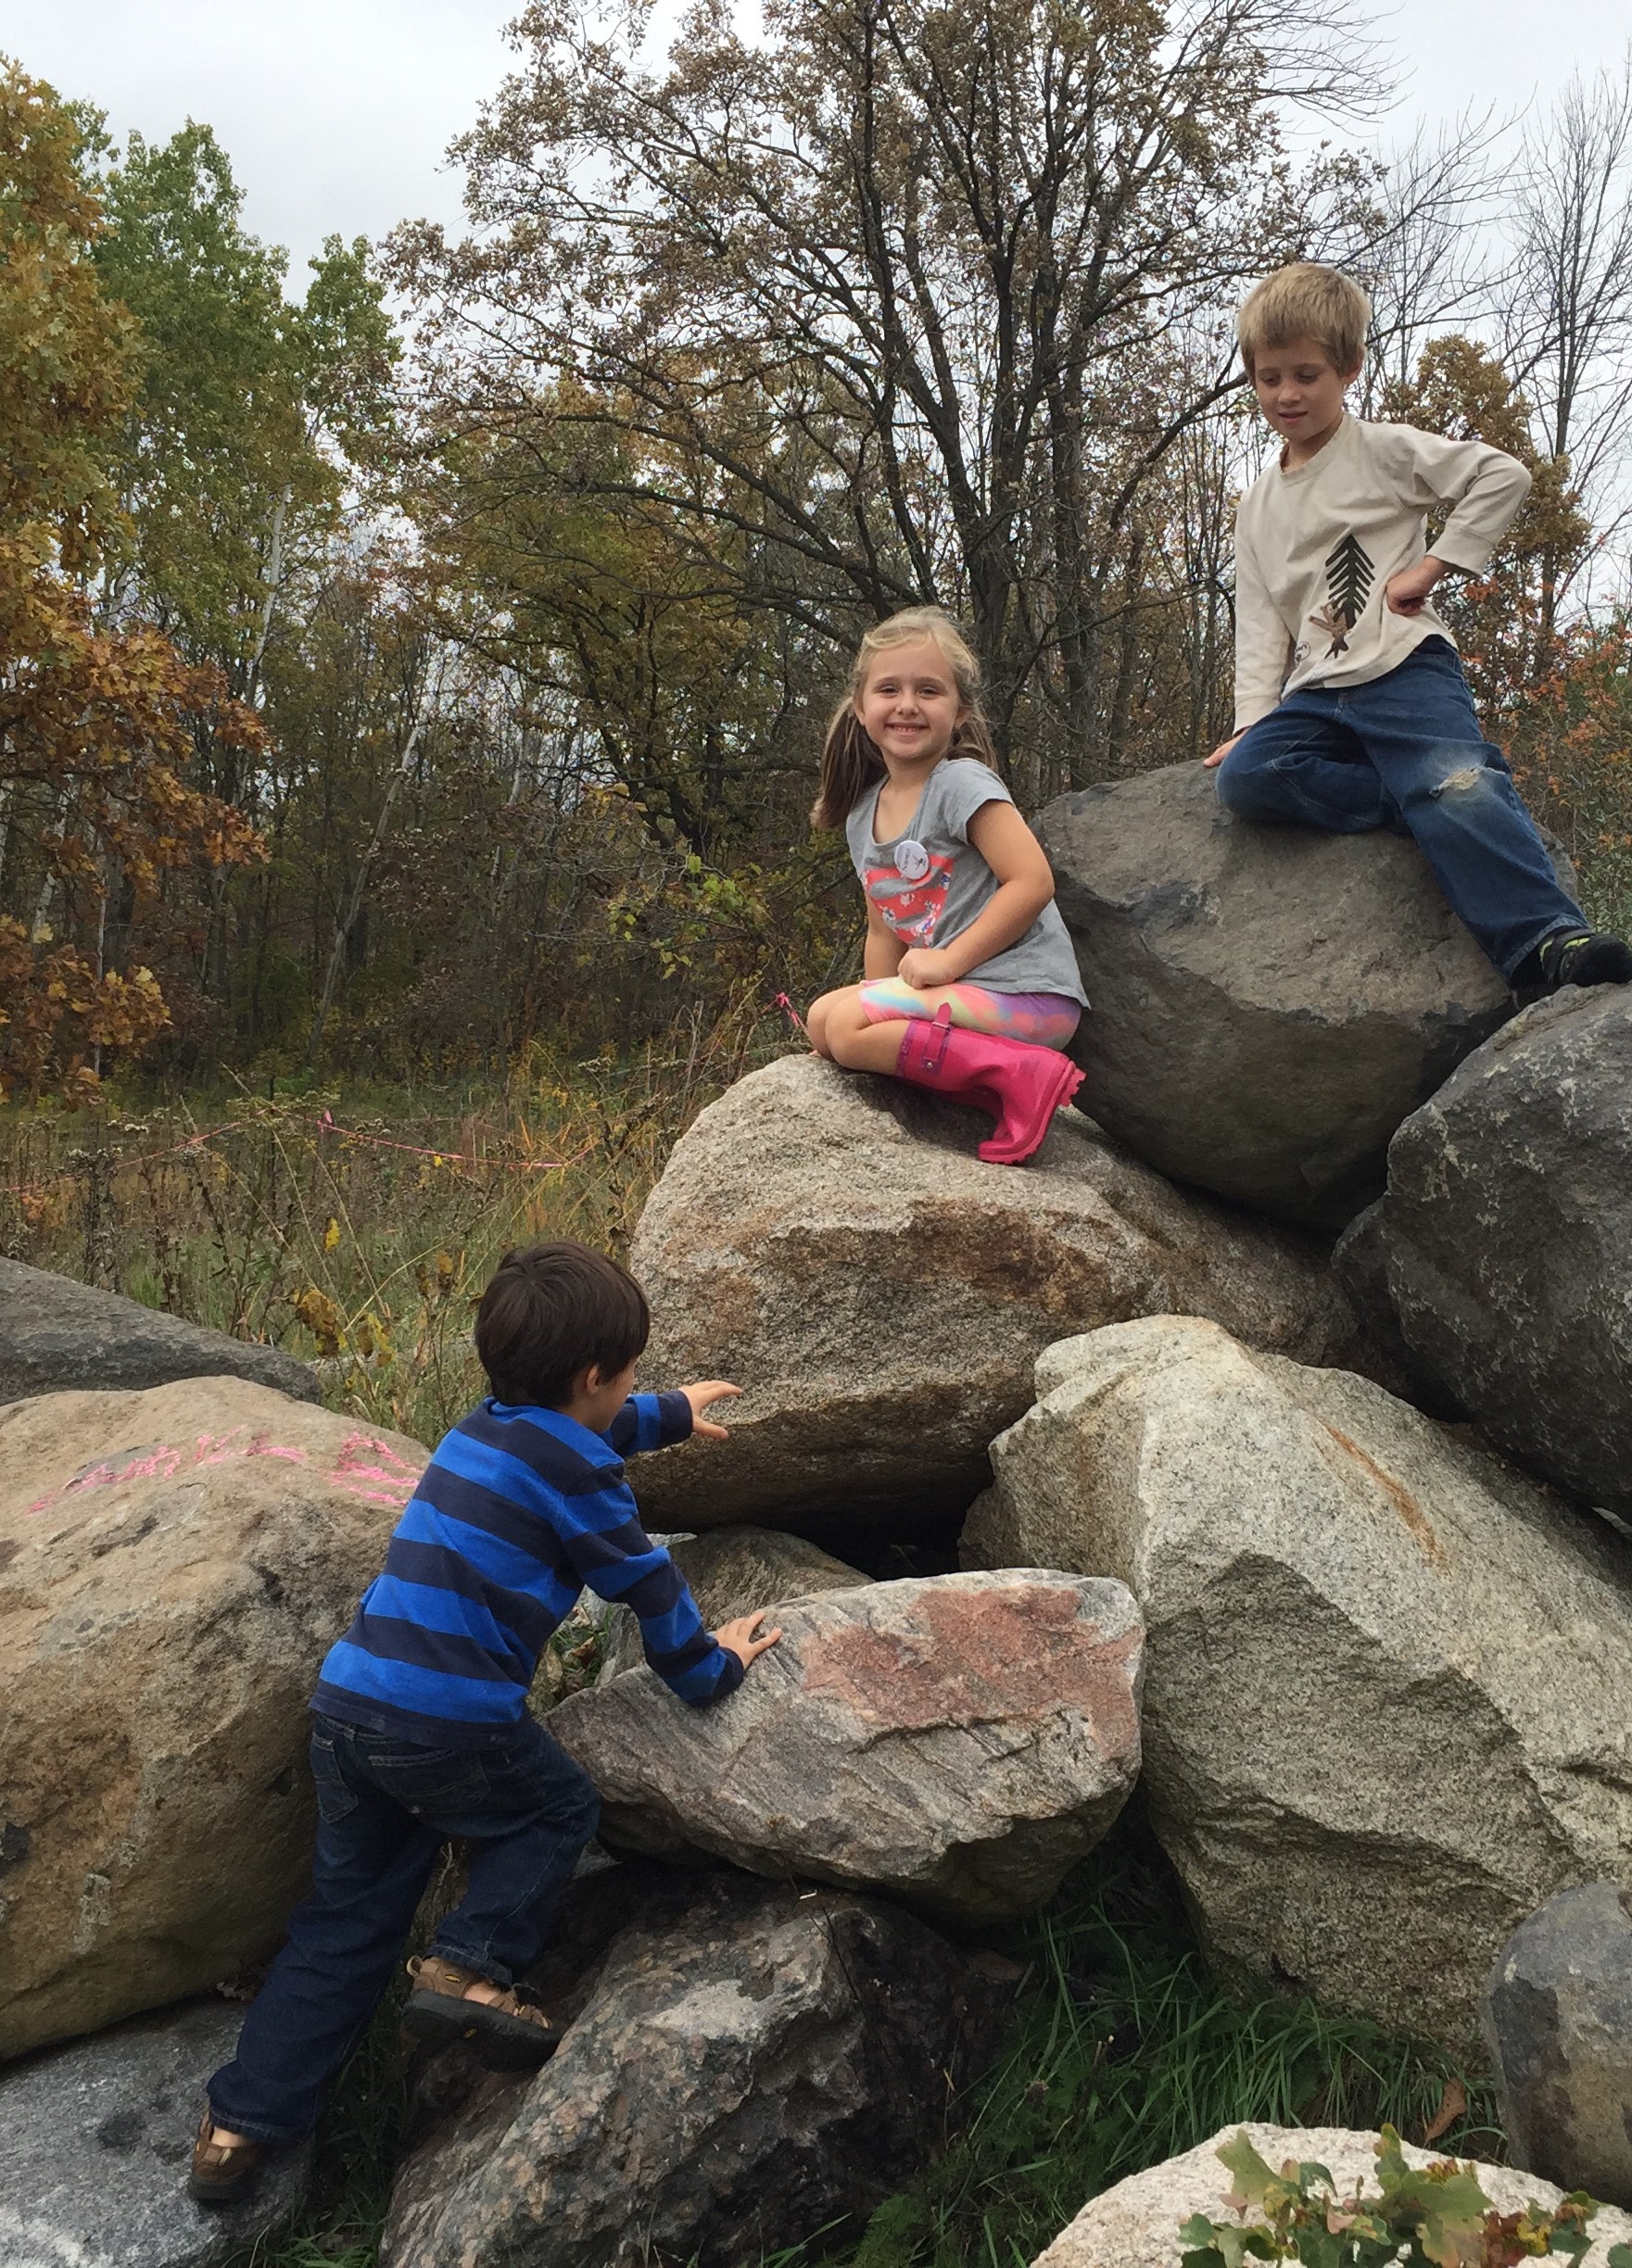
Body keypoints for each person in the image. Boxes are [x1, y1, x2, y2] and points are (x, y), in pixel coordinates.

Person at [189, 1240, 779, 2206]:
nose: (636, 1386)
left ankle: (240, 2124)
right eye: (632, 1373)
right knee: (552, 1810)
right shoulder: (582, 1483)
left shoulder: (482, 1427)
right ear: (594, 1374)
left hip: (349, 1709)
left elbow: (575, 1429)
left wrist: (669, 1413)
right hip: (450, 1726)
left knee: (344, 1920)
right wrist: (714, 1669)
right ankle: (470, 1966)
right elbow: (646, 1582)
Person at [1206, 261, 1632, 997]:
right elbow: (1258, 621)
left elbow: (1502, 475)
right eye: (1270, 377)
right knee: (1249, 780)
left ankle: (1550, 943)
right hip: (1317, 693)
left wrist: (1432, 565)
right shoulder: (1258, 504)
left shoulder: (1381, 450)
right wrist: (1252, 721)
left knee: (1459, 786)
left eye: (1307, 374)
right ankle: (1408, 800)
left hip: (1406, 668)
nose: (1287, 394)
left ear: (1348, 368)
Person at [805, 607, 1090, 1164]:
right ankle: (980, 1086)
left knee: (846, 1026)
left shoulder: (961, 783)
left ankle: (1024, 1075)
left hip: (1027, 995)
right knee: (825, 1024)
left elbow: (1032, 883)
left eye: (929, 690)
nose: (908, 704)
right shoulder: (863, 816)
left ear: (959, 712)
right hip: (963, 1000)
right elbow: (883, 932)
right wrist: (875, 1017)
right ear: (861, 708)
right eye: (889, 688)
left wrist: (947, 962)